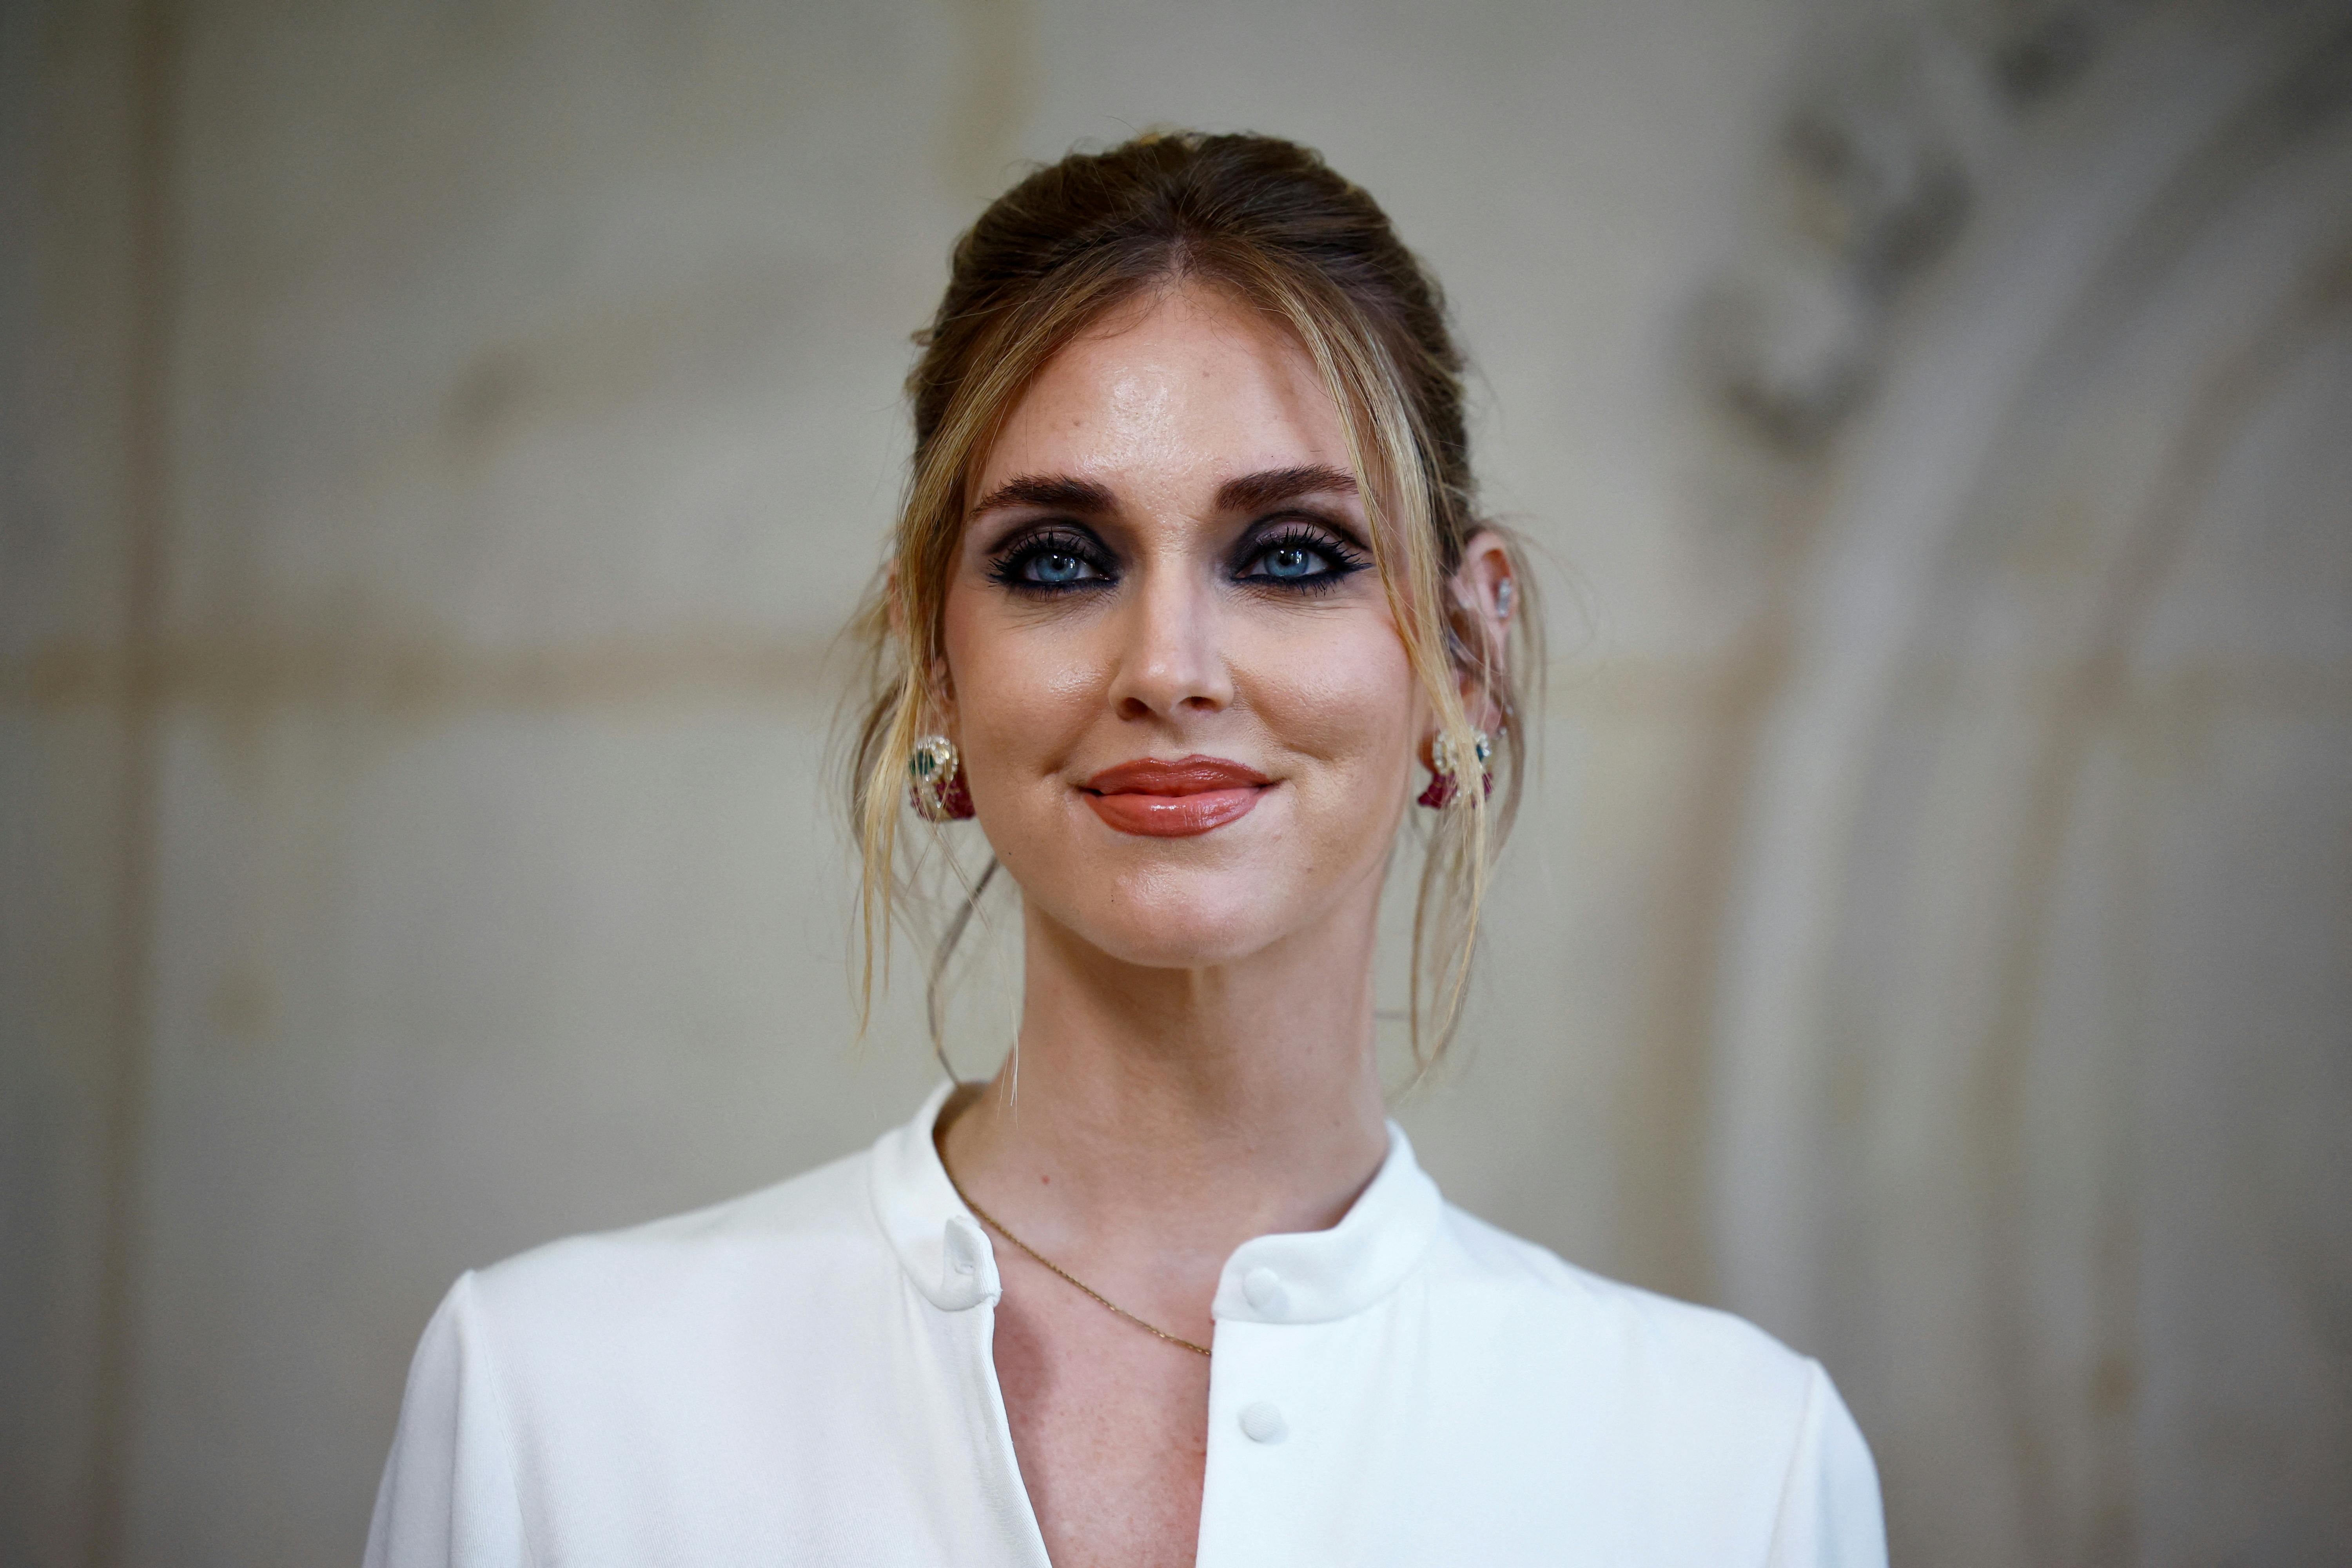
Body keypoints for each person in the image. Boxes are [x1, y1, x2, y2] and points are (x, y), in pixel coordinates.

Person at [364, 131, 1886, 1568]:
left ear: (1467, 660)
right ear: (938, 665)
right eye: (1058, 560)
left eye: (1291, 554)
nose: (1171, 665)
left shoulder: (1729, 1472)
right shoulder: (549, 1408)